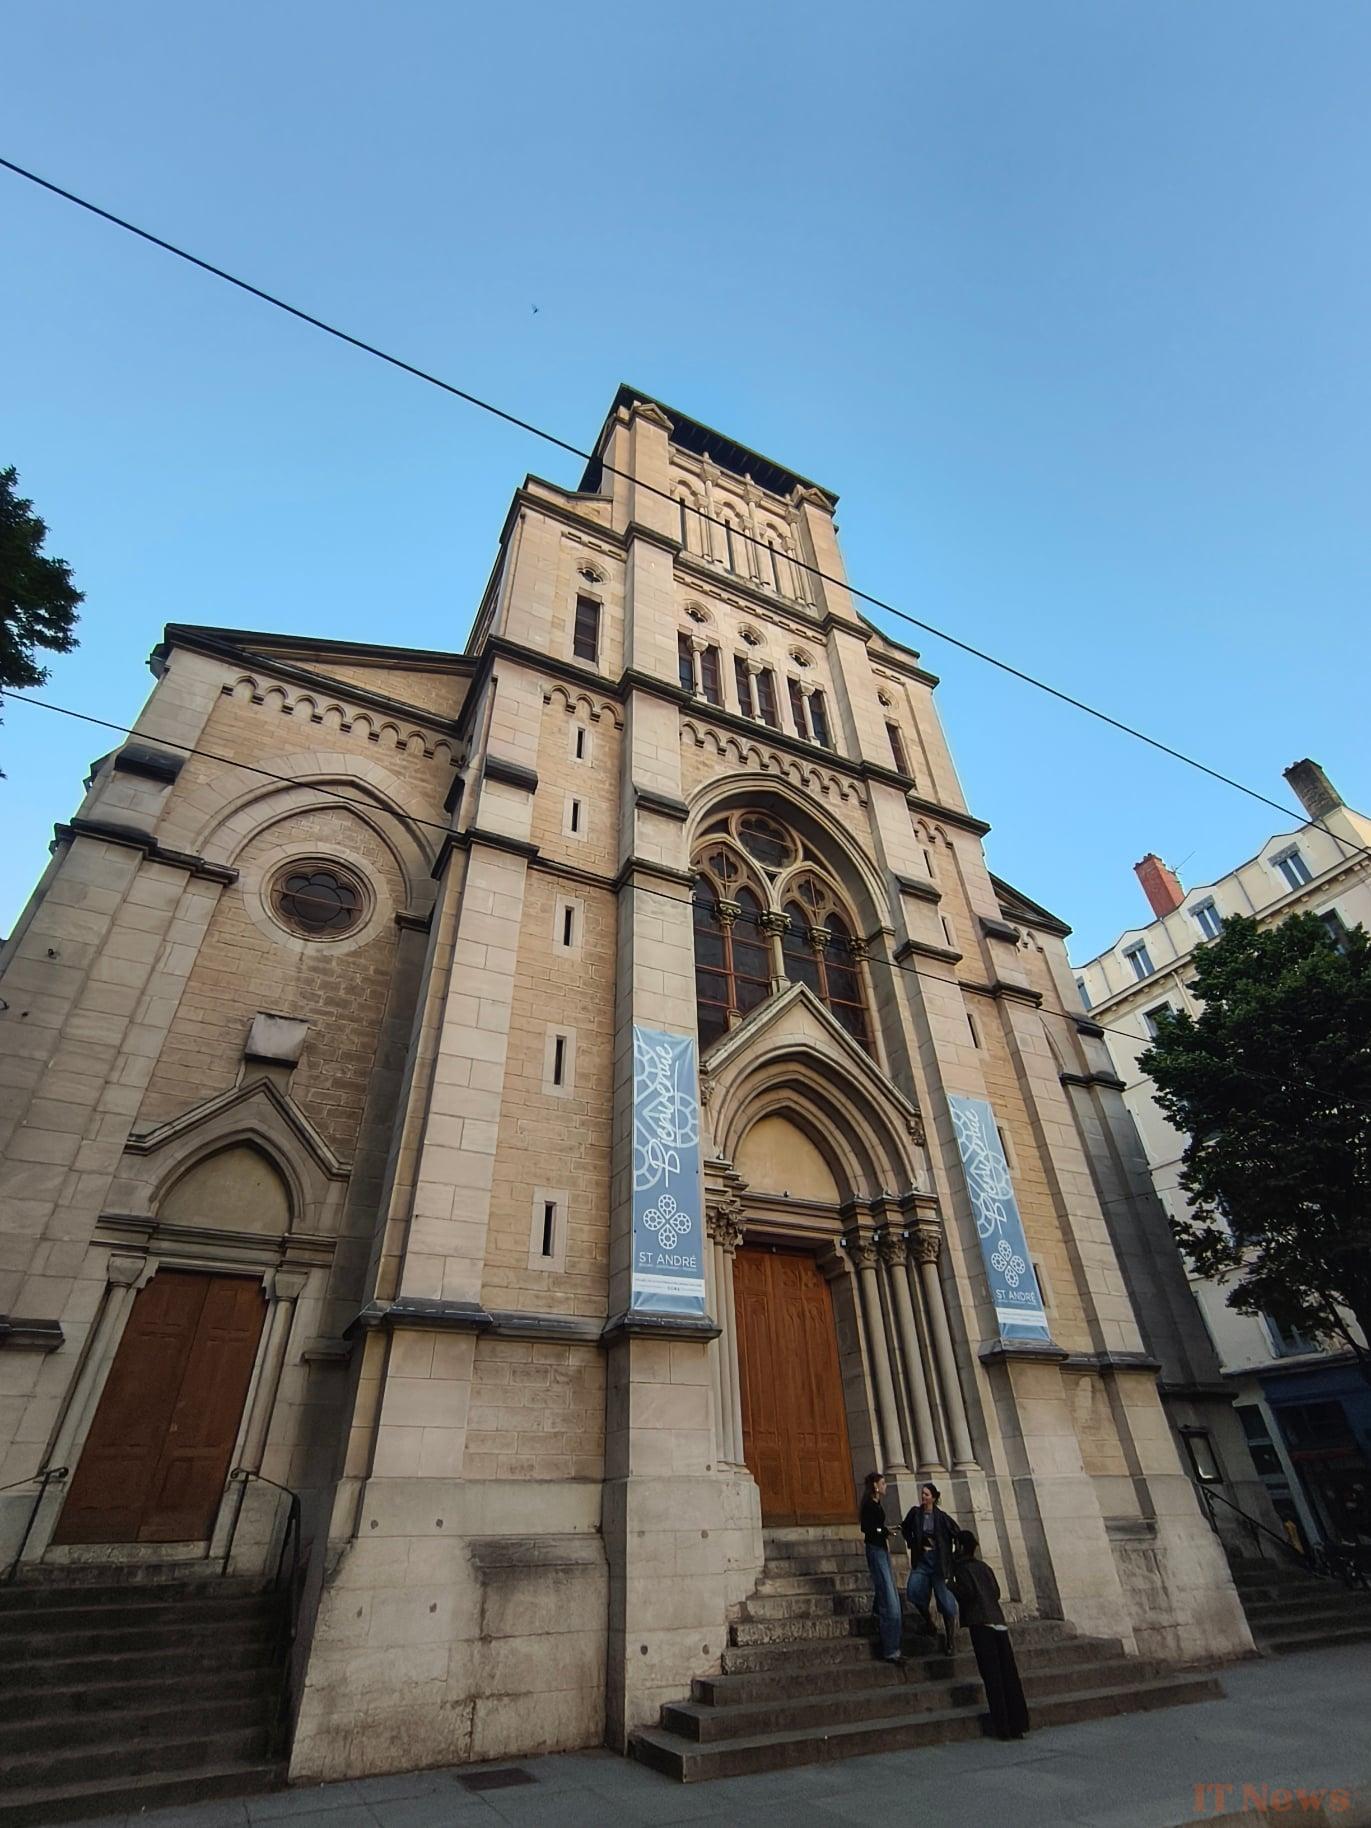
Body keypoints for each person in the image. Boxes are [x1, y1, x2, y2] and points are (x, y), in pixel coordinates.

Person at [950, 1529, 1029, 1741]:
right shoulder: (984, 1567)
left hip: (980, 1623)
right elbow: (996, 1592)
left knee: (992, 1676)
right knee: (1009, 1674)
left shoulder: (962, 1569)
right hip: (998, 1621)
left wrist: (951, 1586)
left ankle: (1002, 1727)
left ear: (960, 1547)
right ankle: (1018, 1724)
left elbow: (967, 1593)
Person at [901, 1481, 959, 1654]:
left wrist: (953, 1556)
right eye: (922, 1494)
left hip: (938, 1563)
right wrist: (912, 1543)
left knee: (945, 1601)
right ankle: (929, 1622)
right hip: (922, 1560)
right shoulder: (916, 1513)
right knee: (914, 1591)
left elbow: (957, 1533)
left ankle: (950, 1640)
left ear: (933, 1498)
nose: (923, 1497)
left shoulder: (941, 1517)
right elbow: (905, 1528)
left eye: (926, 1494)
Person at [860, 1471, 906, 1664]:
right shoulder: (869, 1505)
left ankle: (877, 1616)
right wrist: (883, 1531)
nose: (886, 1486)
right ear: (875, 1486)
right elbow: (867, 1528)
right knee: (890, 1600)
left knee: (887, 1591)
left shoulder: (876, 1504)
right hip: (876, 1550)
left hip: (881, 1549)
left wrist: (886, 1531)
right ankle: (891, 1650)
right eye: (883, 1483)